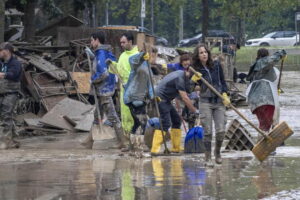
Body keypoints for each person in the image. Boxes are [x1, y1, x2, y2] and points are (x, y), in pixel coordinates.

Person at [81, 31, 127, 149]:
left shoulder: (101, 53)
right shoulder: (103, 52)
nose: (91, 43)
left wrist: (93, 79)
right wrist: (92, 56)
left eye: (92, 40)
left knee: (112, 116)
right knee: (97, 115)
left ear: (97, 40)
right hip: (104, 89)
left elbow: (104, 73)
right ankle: (89, 141)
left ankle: (123, 141)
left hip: (104, 90)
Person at [192, 44, 230, 166]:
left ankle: (217, 152)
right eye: (201, 53)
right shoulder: (195, 69)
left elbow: (223, 82)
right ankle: (207, 157)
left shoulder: (216, 65)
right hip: (205, 102)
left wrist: (225, 93)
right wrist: (195, 80)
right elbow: (190, 87)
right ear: (198, 56)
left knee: (221, 130)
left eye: (205, 52)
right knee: (208, 131)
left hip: (219, 101)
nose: (204, 54)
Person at [151, 69, 200, 155]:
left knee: (177, 120)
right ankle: (155, 149)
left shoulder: (183, 76)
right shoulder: (179, 78)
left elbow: (188, 89)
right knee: (166, 123)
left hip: (167, 100)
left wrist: (194, 82)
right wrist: (195, 111)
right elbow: (185, 97)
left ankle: (176, 147)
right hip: (160, 99)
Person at [246, 48, 286, 134]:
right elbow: (272, 59)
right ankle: (265, 143)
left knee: (264, 124)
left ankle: (265, 141)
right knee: (266, 124)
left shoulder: (255, 66)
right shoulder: (262, 63)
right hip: (265, 99)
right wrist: (281, 54)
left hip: (255, 100)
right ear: (267, 56)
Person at [108, 32, 139, 136]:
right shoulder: (122, 55)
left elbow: (140, 75)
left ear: (130, 42)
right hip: (123, 90)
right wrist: (112, 64)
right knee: (124, 114)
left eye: (123, 42)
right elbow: (119, 69)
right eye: (120, 43)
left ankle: (133, 137)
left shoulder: (137, 56)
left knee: (132, 114)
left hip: (133, 91)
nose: (121, 44)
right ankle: (126, 137)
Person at [0, 42, 22, 149]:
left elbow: (13, 74)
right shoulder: (1, 63)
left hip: (11, 93)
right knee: (7, 117)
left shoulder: (15, 63)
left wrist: (2, 74)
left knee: (6, 115)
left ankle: (6, 141)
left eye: (1, 50)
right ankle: (14, 140)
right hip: (1, 92)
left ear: (7, 51)